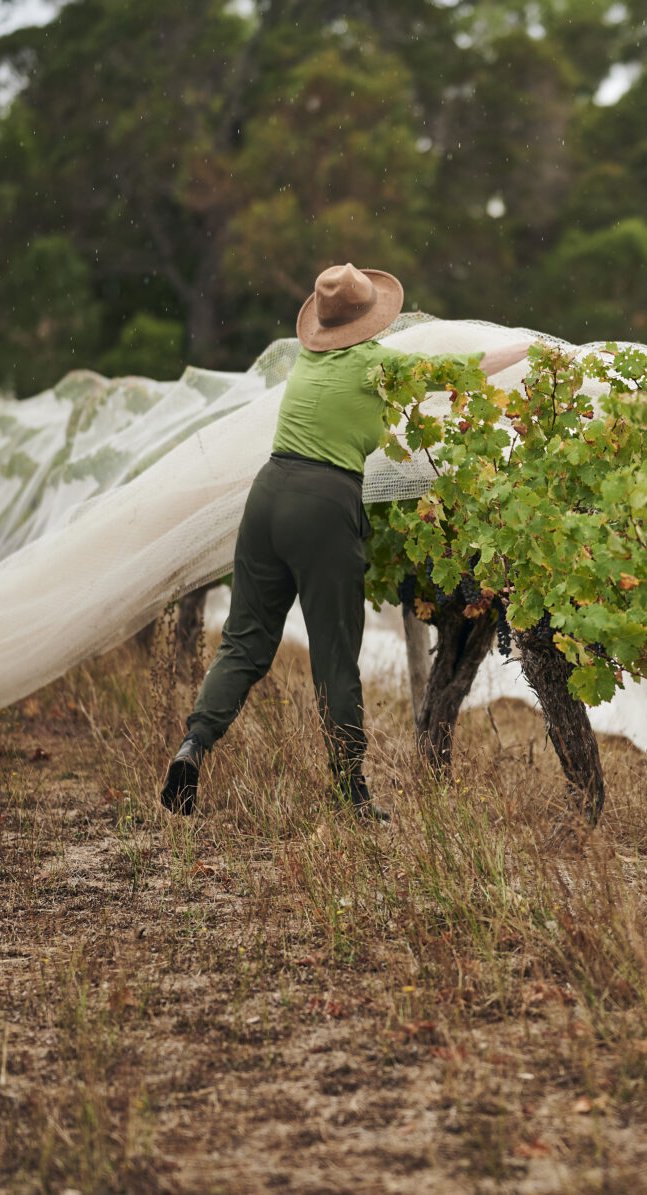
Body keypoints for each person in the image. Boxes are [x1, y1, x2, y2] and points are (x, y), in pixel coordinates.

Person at [160, 264, 536, 819]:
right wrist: (528, 350)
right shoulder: (375, 364)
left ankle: (194, 744)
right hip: (322, 504)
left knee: (244, 641)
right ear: (369, 320)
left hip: (267, 497)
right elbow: (461, 368)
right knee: (335, 653)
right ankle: (350, 790)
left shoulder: (307, 364)